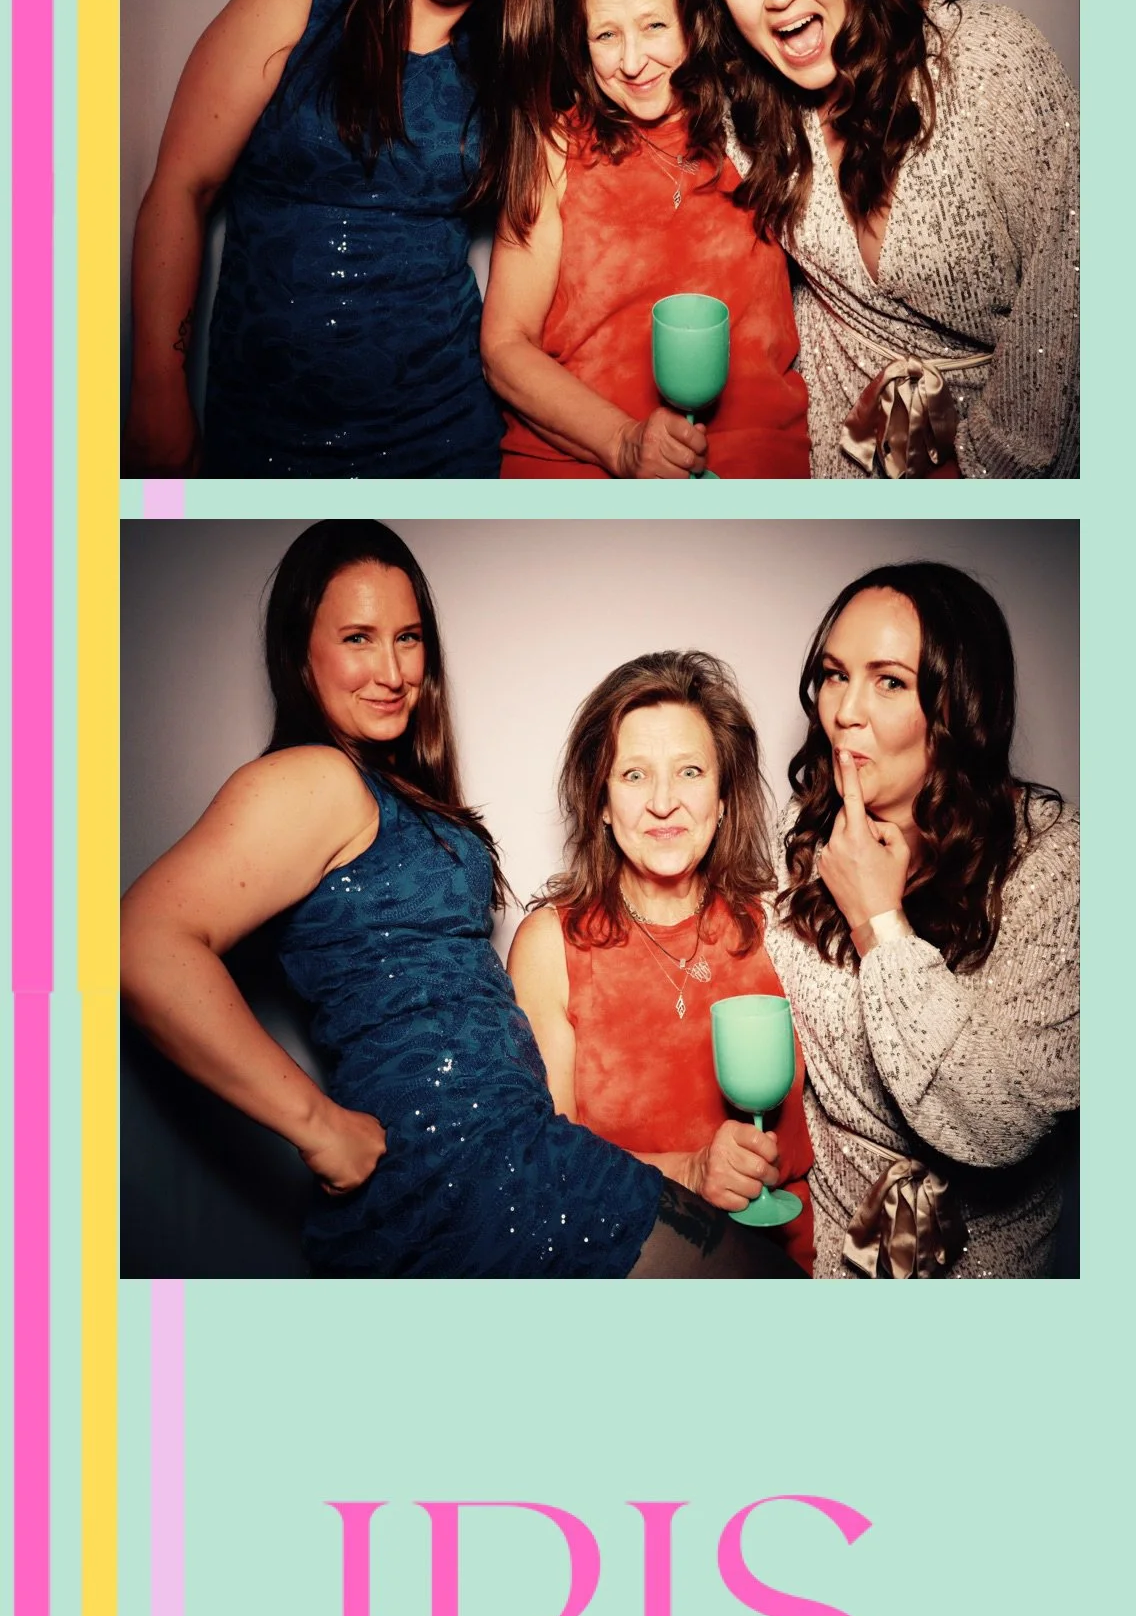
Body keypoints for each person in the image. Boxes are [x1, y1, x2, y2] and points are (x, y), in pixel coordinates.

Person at [119, 524, 751, 1280]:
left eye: (409, 638)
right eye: (358, 638)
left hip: (522, 1156)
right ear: (299, 655)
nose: (390, 670)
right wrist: (316, 1124)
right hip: (457, 1178)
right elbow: (143, 942)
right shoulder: (316, 777)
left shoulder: (387, 787)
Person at [122, 0, 559, 479]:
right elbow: (184, 185)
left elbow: (632, 43)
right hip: (262, 431)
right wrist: (154, 383)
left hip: (441, 435)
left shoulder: (511, 72)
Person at [674, 0, 1079, 477]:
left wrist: (976, 474)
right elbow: (630, 34)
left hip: (1016, 453)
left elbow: (1072, 294)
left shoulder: (989, 60)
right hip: (842, 450)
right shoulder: (754, 118)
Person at [766, 564, 1079, 1277]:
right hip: (819, 1247)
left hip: (988, 1264)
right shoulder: (797, 832)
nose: (845, 711)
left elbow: (998, 1121)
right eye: (834, 674)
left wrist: (878, 918)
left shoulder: (1059, 866)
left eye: (890, 681)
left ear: (962, 703)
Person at [481, 0, 811, 479]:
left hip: (754, 470)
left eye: (655, 25)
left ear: (693, 19)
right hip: (579, 467)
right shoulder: (554, 146)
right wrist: (624, 442)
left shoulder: (763, 124)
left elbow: (899, 19)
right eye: (606, 35)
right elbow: (505, 347)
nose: (632, 62)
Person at [509, 650, 814, 1276]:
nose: (664, 803)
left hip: (794, 1268)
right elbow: (545, 1165)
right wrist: (691, 1171)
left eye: (691, 772)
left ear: (725, 796)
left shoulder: (781, 923)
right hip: (630, 1267)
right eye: (634, 776)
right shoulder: (551, 943)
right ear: (599, 801)